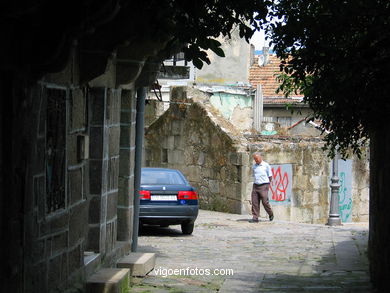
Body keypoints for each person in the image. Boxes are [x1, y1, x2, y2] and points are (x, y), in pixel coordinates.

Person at [249, 152, 274, 222]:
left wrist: (267, 185)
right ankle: (255, 217)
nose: (256, 160)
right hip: (256, 185)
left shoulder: (266, 165)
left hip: (264, 185)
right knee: (254, 202)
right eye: (254, 159)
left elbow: (270, 176)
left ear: (260, 158)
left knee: (265, 202)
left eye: (257, 159)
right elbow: (254, 175)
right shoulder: (254, 166)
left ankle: (270, 213)